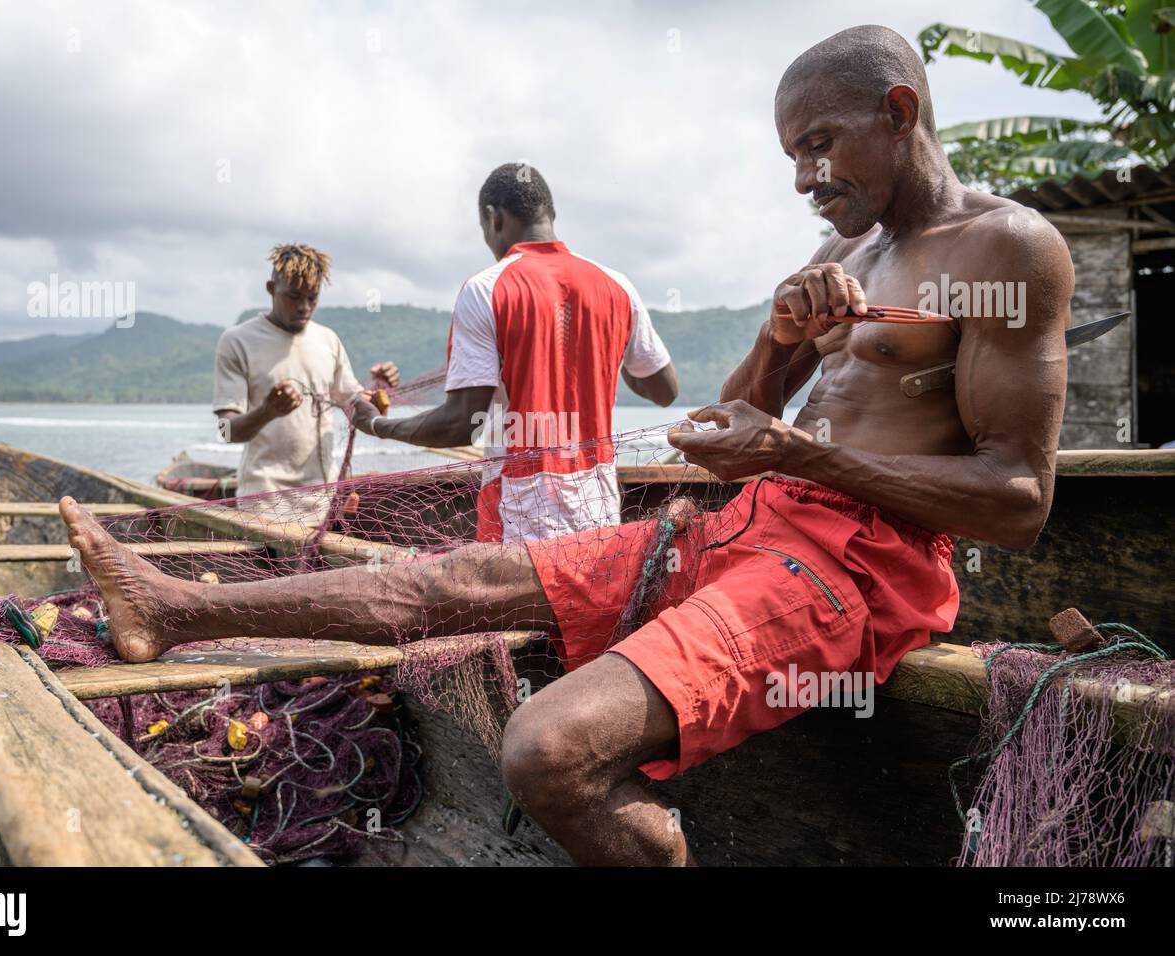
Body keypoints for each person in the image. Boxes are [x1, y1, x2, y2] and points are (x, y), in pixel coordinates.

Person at [60, 25, 1072, 866]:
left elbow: (1018, 500)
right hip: (752, 523)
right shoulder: (837, 251)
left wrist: (798, 456)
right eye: (791, 158)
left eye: (820, 145)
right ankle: (171, 606)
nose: (806, 178)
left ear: (898, 114)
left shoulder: (1006, 248)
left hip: (859, 571)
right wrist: (778, 336)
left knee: (543, 748)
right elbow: (721, 416)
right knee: (450, 579)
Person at [353, 163, 678, 542]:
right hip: (599, 511)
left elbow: (463, 423)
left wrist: (378, 425)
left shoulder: (485, 289)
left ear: (493, 219)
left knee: (513, 604)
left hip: (519, 515)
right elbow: (664, 391)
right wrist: (604, 341)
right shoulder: (617, 286)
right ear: (551, 214)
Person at [212, 244, 399, 520]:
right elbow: (227, 432)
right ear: (271, 288)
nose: (304, 307)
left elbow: (357, 407)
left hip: (323, 504)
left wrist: (378, 391)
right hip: (264, 505)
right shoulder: (238, 341)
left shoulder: (328, 341)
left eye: (313, 297)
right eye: (293, 296)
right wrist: (268, 411)